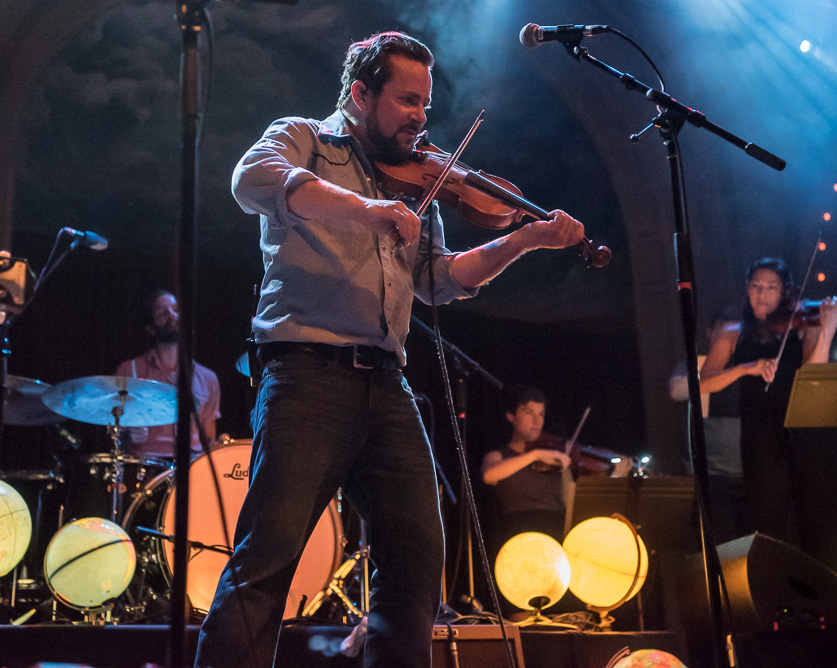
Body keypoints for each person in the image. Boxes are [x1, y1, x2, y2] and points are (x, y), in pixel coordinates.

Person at [194, 32, 584, 668]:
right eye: (406, 100)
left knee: (416, 565)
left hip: (388, 382)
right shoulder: (305, 139)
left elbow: (440, 279)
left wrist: (524, 241)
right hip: (305, 374)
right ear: (360, 94)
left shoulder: (417, 180)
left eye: (425, 104)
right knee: (268, 559)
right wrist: (368, 210)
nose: (419, 117)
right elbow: (252, 179)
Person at [698, 258, 837, 547]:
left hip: (802, 431)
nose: (762, 293)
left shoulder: (802, 327)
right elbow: (703, 382)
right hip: (760, 435)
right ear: (747, 289)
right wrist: (745, 368)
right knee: (769, 521)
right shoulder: (732, 332)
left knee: (813, 518)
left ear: (784, 293)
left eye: (771, 287)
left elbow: (813, 378)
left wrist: (827, 332)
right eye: (756, 286)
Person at [669, 306, 749, 544]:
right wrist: (726, 375)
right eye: (723, 332)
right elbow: (676, 391)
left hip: (747, 474)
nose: (729, 338)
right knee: (717, 543)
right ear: (710, 333)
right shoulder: (697, 364)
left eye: (736, 333)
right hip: (709, 476)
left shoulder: (753, 365)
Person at [115, 290, 220, 458]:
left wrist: (221, 445)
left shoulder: (209, 379)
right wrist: (127, 437)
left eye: (175, 309)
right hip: (147, 467)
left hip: (192, 469)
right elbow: (115, 439)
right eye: (162, 312)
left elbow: (208, 440)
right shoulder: (129, 371)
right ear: (150, 328)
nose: (172, 315)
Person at [481, 385, 571, 548]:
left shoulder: (554, 455)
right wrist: (535, 455)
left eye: (541, 415)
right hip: (519, 539)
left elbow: (568, 502)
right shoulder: (498, 456)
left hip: (557, 538)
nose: (537, 422)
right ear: (511, 416)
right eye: (529, 412)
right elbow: (489, 475)